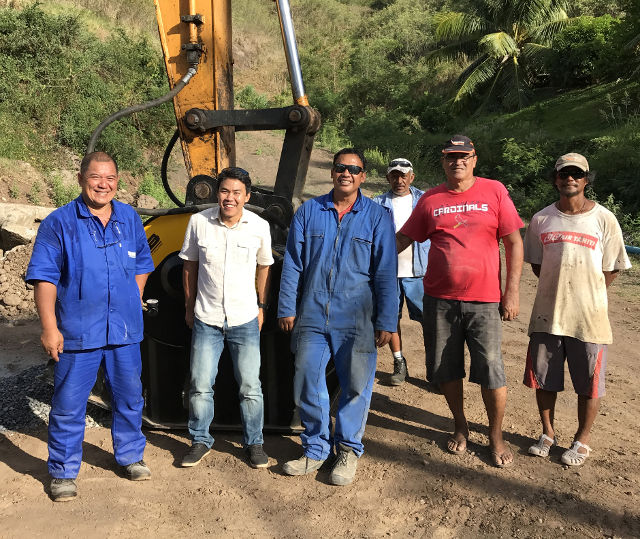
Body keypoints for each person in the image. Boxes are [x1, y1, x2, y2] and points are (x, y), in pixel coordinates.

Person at [26, 151, 155, 502]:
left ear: (118, 180)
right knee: (69, 404)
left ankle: (130, 456)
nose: (104, 184)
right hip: (78, 331)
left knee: (129, 397)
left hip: (124, 331)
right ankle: (63, 472)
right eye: (96, 177)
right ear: (82, 178)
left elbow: (143, 262)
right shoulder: (60, 223)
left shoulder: (129, 218)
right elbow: (45, 279)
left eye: (110, 178)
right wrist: (49, 328)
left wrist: (133, 295)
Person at [396, 135, 523, 468]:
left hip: (484, 301)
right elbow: (405, 237)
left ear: (474, 159)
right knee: (445, 369)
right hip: (439, 300)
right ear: (443, 161)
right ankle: (460, 426)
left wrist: (512, 291)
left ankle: (495, 435)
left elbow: (513, 242)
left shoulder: (494, 191)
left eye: (463, 156)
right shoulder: (431, 199)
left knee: (492, 370)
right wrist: (364, 255)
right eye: (451, 157)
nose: (458, 162)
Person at [277, 148, 398, 486]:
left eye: (354, 169)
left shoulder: (376, 216)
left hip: (357, 316)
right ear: (332, 173)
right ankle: (315, 448)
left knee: (356, 385)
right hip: (312, 313)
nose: (346, 173)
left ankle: (347, 450)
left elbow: (386, 272)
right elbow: (293, 265)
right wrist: (287, 306)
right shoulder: (309, 212)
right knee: (307, 379)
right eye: (340, 168)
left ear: (362, 176)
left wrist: (387, 319)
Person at [523, 153, 631, 466]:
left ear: (586, 180)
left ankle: (582, 440)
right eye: (564, 173)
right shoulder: (541, 220)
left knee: (589, 383)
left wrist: (588, 293)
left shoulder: (604, 219)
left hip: (590, 319)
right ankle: (547, 433)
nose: (570, 178)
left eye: (577, 174)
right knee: (543, 379)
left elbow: (611, 268)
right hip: (548, 315)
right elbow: (538, 266)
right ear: (555, 179)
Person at [178, 167, 273, 469]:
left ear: (246, 196)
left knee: (250, 386)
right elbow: (189, 267)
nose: (229, 198)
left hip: (244, 319)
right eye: (224, 191)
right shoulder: (198, 222)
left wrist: (260, 306)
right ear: (217, 193)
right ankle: (200, 439)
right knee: (201, 384)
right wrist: (189, 306)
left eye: (236, 193)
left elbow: (264, 267)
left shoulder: (258, 226)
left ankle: (254, 443)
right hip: (206, 319)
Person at [373, 158, 430, 385]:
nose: (399, 180)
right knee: (390, 318)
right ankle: (399, 362)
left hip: (419, 271)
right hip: (388, 274)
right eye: (394, 175)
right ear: (388, 178)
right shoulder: (377, 203)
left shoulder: (425, 201)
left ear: (412, 177)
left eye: (403, 175)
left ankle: (433, 366)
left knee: (429, 320)